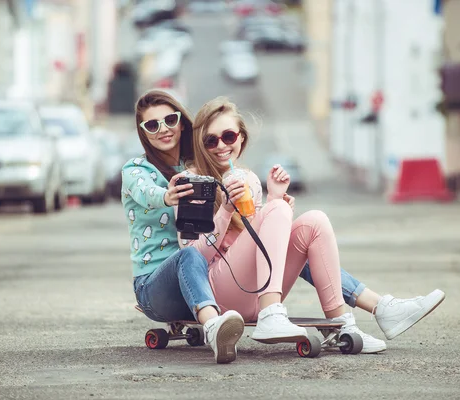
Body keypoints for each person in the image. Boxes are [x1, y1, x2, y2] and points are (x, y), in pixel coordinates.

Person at [181, 96, 445, 354]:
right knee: (278, 209)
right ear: (200, 144)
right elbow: (192, 259)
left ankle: (342, 324)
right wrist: (226, 209)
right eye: (210, 140)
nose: (221, 146)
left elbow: (257, 243)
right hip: (218, 296)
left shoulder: (248, 180)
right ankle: (274, 314)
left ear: (241, 137)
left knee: (314, 221)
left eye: (228, 136)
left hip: (255, 293)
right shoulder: (191, 183)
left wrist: (274, 199)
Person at [122, 90, 245, 364]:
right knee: (189, 255)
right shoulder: (136, 170)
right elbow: (146, 193)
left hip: (208, 275)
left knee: (282, 233)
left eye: (169, 119)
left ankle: (351, 311)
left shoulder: (199, 166)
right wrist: (166, 196)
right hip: (154, 286)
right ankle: (214, 329)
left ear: (181, 121)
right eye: (152, 125)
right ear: (143, 132)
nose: (163, 129)